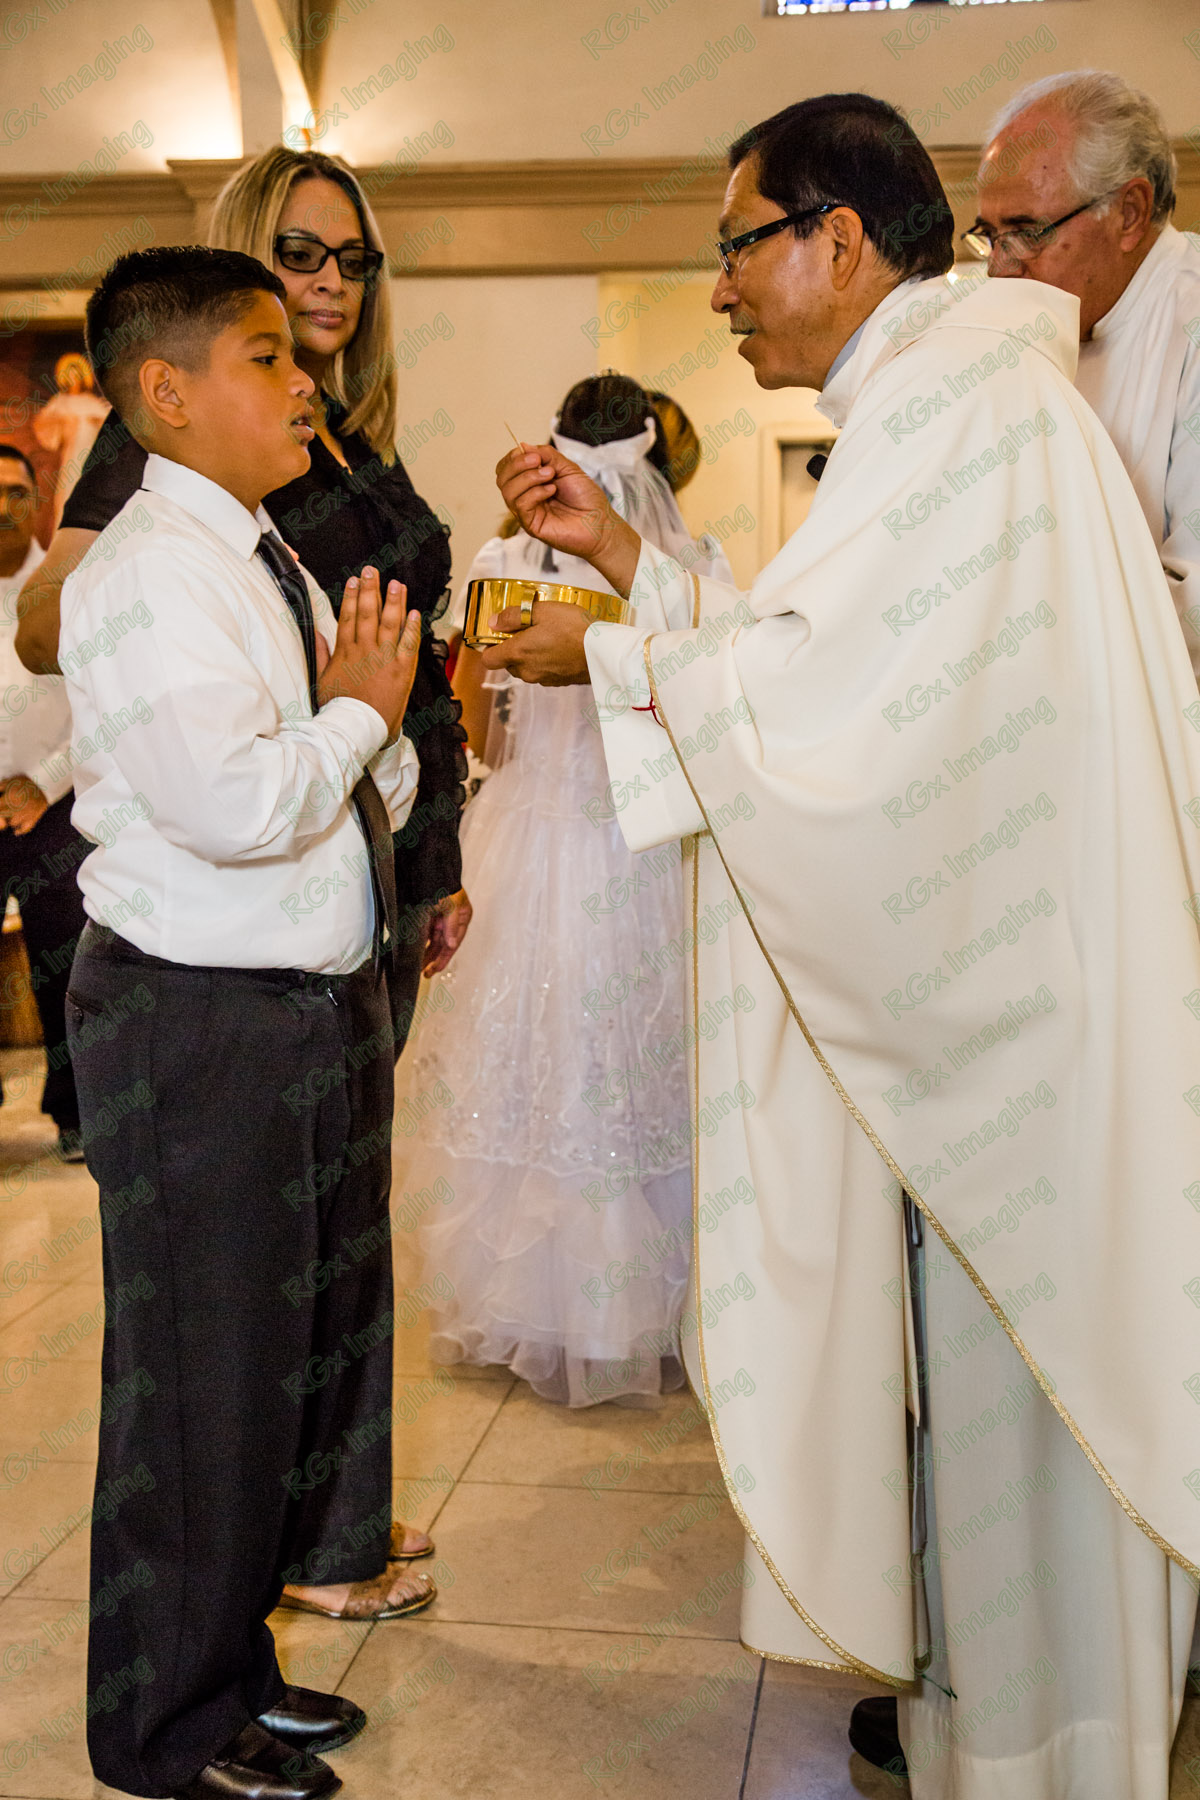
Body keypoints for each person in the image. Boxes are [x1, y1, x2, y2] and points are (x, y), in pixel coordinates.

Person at [484, 94, 1200, 1800]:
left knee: (1032, 1454)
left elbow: (831, 715)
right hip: (1009, 1021)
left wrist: (612, 650)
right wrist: (634, 568)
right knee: (999, 1459)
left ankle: (1039, 1761)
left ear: (841, 238)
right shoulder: (947, 399)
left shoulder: (959, 408)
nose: (722, 290)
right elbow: (827, 662)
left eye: (739, 246)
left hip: (1016, 1056)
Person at [18, 148, 467, 1618]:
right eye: (299, 259)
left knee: (309, 1291)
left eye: (353, 258)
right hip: (213, 968)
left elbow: (353, 703)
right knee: (211, 1348)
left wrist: (403, 799)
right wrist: (346, 720)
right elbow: (218, 771)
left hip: (328, 914)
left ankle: (298, 1567)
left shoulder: (296, 495)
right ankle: (205, 1662)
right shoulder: (163, 526)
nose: (331, 286)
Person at [64, 244, 425, 1800]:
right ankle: (163, 1728)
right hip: (196, 1024)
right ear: (166, 391)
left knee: (279, 1369)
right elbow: (233, 806)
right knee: (200, 1383)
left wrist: (373, 733)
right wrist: (358, 717)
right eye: (267, 355)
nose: (306, 381)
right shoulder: (147, 573)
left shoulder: (259, 548)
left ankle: (231, 1665)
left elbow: (340, 765)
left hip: (294, 1009)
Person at [397, 376, 730, 1406]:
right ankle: (656, 1307)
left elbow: (470, 722)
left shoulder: (500, 565)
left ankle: (523, 1305)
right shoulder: (686, 569)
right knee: (637, 1066)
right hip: (644, 842)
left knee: (532, 1068)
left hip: (527, 832)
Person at [972, 70, 1200, 678]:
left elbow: (1192, 605)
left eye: (1026, 233)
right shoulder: (1021, 331)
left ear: (1129, 213)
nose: (1000, 269)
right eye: (990, 237)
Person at [0, 443, 87, 1159]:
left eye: (15, 491)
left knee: (65, 965)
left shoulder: (68, 590)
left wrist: (45, 781)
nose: (2, 505)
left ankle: (75, 1114)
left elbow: (106, 704)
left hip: (55, 807)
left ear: (38, 502)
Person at [32, 352, 110, 529]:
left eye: (76, 376)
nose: (74, 380)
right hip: (70, 459)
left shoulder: (92, 402)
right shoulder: (60, 402)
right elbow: (44, 425)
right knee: (67, 492)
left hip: (92, 458)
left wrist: (97, 422)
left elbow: (110, 425)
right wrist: (62, 422)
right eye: (70, 376)